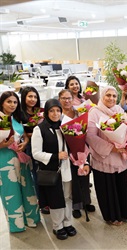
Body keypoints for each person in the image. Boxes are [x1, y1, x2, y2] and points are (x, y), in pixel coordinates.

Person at [86, 86, 127, 226]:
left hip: (120, 156)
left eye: (114, 96)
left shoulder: (119, 110)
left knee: (120, 186)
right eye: (108, 95)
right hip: (104, 157)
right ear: (102, 96)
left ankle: (123, 213)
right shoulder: (94, 112)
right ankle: (112, 216)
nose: (111, 98)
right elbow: (90, 136)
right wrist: (111, 148)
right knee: (107, 189)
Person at [31, 98, 76, 240]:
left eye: (58, 110)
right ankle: (58, 226)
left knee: (68, 197)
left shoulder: (66, 126)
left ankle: (68, 222)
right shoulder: (40, 129)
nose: (55, 113)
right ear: (47, 112)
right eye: (52, 111)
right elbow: (36, 153)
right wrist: (55, 156)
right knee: (56, 199)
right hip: (52, 170)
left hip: (67, 168)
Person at [0, 91, 40, 233]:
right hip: (4, 160)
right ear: (2, 103)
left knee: (27, 187)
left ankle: (31, 218)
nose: (12, 105)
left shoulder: (16, 118)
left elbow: (23, 135)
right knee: (10, 191)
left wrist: (25, 142)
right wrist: (3, 145)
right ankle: (16, 224)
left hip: (20, 157)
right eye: (9, 102)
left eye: (15, 102)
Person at [58, 90, 96, 219]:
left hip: (82, 147)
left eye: (69, 98)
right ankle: (76, 205)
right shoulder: (58, 114)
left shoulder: (79, 111)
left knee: (84, 176)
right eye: (63, 98)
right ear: (59, 99)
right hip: (67, 150)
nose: (66, 101)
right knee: (73, 179)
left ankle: (86, 202)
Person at [19, 87, 46, 212]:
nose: (33, 99)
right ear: (24, 97)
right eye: (30, 96)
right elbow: (21, 133)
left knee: (44, 172)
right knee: (35, 173)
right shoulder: (19, 113)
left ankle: (46, 198)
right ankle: (41, 201)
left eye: (35, 97)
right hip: (29, 147)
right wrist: (33, 134)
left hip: (43, 145)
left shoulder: (40, 112)